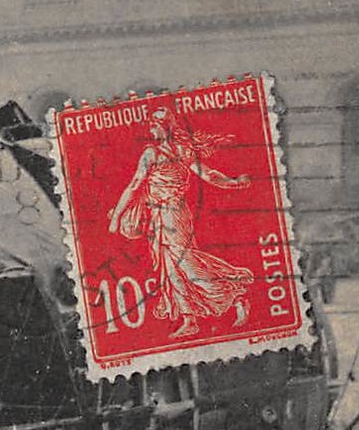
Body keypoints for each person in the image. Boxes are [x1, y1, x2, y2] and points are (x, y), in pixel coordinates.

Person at [107, 106, 254, 338]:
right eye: (150, 125)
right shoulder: (165, 152)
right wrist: (233, 182)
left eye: (155, 125)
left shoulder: (160, 154)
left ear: (165, 127)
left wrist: (234, 182)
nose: (151, 128)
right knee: (171, 269)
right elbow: (137, 184)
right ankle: (189, 319)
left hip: (173, 214)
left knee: (187, 264)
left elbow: (207, 174)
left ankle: (234, 295)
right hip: (160, 216)